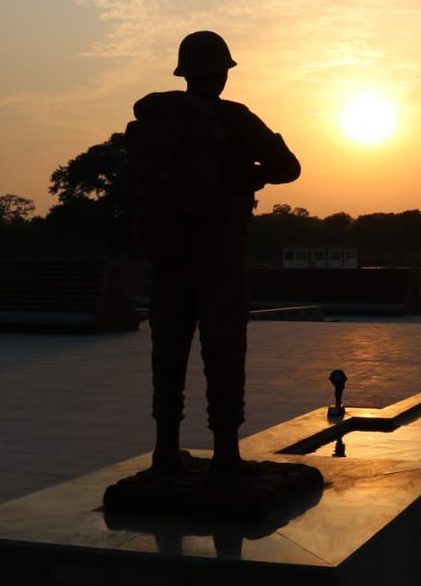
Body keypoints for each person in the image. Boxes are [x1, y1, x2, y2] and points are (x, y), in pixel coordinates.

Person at [126, 31, 300, 481]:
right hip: (219, 254)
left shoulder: (157, 120)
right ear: (223, 73)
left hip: (169, 254)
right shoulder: (234, 118)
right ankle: (225, 455)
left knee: (168, 353)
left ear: (184, 73)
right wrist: (251, 177)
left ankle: (165, 450)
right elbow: (288, 168)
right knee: (223, 350)